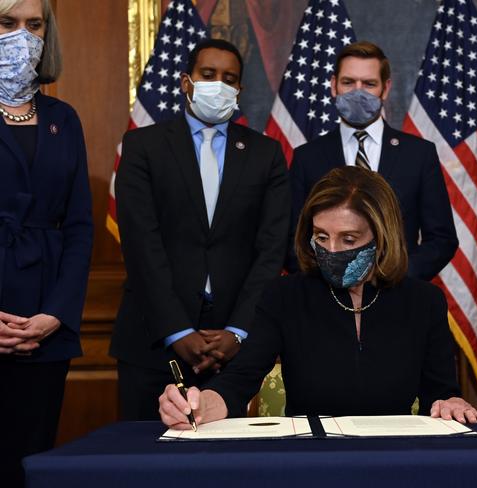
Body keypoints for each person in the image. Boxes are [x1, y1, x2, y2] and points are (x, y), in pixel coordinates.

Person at [159, 166, 477, 427]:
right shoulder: (284, 296)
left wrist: (451, 403)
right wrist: (200, 405)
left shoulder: (424, 301)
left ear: (381, 238)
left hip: (395, 459)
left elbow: (441, 394)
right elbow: (239, 381)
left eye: (348, 239)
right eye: (321, 236)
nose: (331, 251)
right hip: (309, 460)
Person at [110, 39, 290, 421]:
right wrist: (178, 331)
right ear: (186, 82)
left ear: (239, 90)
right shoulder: (143, 146)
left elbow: (272, 248)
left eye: (230, 78)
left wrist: (238, 331)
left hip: (235, 347)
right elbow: (142, 244)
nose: (218, 85)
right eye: (208, 75)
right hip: (152, 340)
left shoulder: (266, 154)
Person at [0, 0, 93, 486]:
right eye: (7, 23)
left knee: (31, 464)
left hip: (45, 329)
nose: (22, 36)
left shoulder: (64, 117)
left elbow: (80, 227)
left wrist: (55, 314)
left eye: (33, 25)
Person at [288, 41, 457, 281]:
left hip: (397, 297)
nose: (358, 92)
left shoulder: (419, 154)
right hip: (326, 299)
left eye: (369, 84)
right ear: (334, 85)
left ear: (385, 89)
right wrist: (328, 279)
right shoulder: (307, 157)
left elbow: (442, 238)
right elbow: (292, 238)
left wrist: (395, 277)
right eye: (348, 82)